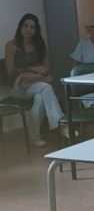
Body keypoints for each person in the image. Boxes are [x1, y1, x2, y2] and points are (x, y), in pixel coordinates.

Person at [4, 13, 66, 147]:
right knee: (46, 87)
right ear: (20, 27)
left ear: (36, 30)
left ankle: (34, 137)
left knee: (40, 97)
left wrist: (33, 75)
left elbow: (47, 68)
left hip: (35, 83)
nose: (28, 29)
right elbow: (11, 71)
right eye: (26, 26)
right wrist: (35, 70)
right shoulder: (11, 45)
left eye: (32, 27)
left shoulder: (40, 45)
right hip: (17, 86)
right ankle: (60, 124)